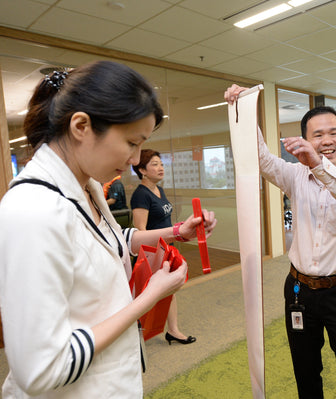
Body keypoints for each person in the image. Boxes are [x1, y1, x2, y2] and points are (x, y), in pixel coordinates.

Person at [0, 61, 216, 398]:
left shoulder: (84, 186)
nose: (136, 159)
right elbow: (41, 369)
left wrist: (177, 232)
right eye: (132, 142)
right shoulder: (33, 210)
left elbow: (114, 240)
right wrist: (148, 298)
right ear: (81, 126)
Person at [225, 85, 336, 399]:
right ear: (306, 140)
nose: (326, 141)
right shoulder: (295, 175)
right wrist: (245, 109)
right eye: (318, 134)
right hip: (299, 291)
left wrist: (319, 167)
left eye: (333, 133)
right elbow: (263, 161)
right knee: (305, 370)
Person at [130, 149, 197, 345]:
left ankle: (173, 330)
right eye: (155, 164)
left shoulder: (159, 190)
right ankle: (137, 334)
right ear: (142, 170)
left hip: (168, 248)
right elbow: (140, 230)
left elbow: (164, 220)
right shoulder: (140, 195)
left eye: (161, 164)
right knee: (149, 294)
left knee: (169, 291)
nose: (161, 168)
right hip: (154, 253)